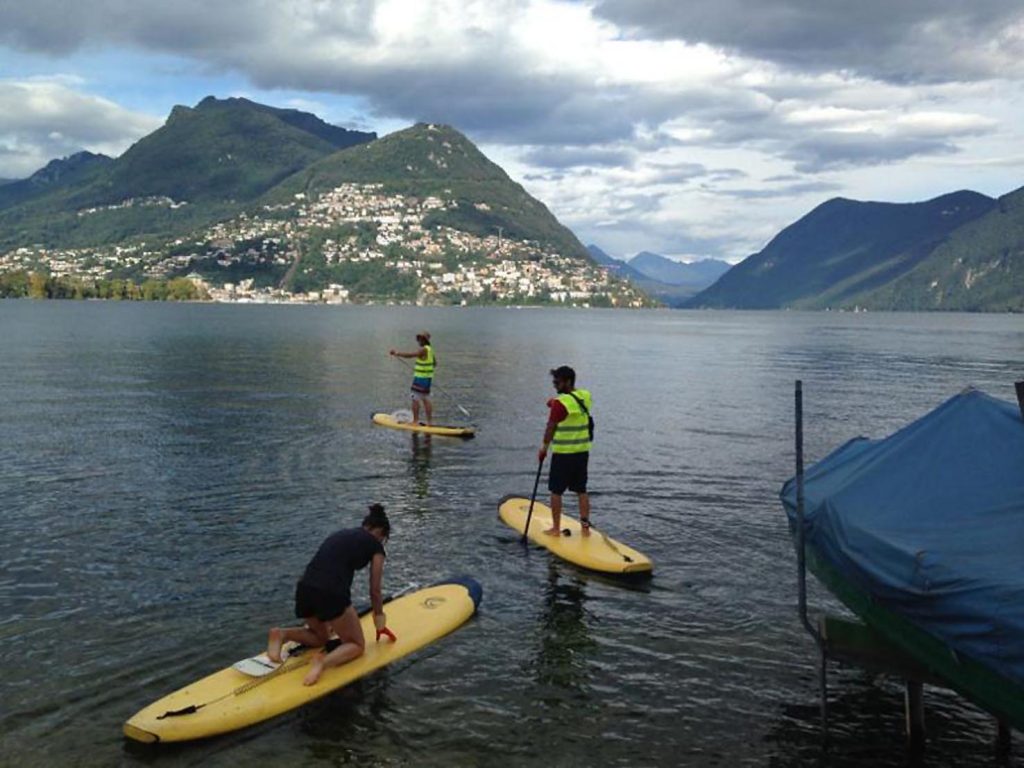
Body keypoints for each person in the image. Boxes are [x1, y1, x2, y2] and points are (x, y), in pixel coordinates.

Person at [267, 504, 395, 686]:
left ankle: (281, 634)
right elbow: (374, 589)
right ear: (379, 532)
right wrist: (379, 620)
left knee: (321, 637)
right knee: (357, 645)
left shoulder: (341, 534)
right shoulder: (375, 546)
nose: (382, 543)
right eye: (384, 539)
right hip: (331, 593)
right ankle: (322, 662)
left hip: (304, 588)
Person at [537, 365, 593, 537]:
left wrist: (543, 449)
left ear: (568, 382)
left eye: (557, 382)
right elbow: (571, 403)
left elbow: (550, 429)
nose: (554, 385)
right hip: (582, 453)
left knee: (556, 491)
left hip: (563, 454)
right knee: (581, 490)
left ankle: (555, 529)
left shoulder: (560, 404)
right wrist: (554, 402)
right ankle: (585, 527)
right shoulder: (585, 396)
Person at [389, 331, 435, 425]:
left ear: (424, 340)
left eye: (420, 339)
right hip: (427, 379)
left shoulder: (423, 350)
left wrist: (397, 353)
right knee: (425, 398)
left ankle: (415, 421)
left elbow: (411, 355)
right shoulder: (430, 350)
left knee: (415, 399)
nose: (419, 341)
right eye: (419, 339)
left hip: (420, 379)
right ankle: (429, 422)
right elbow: (434, 363)